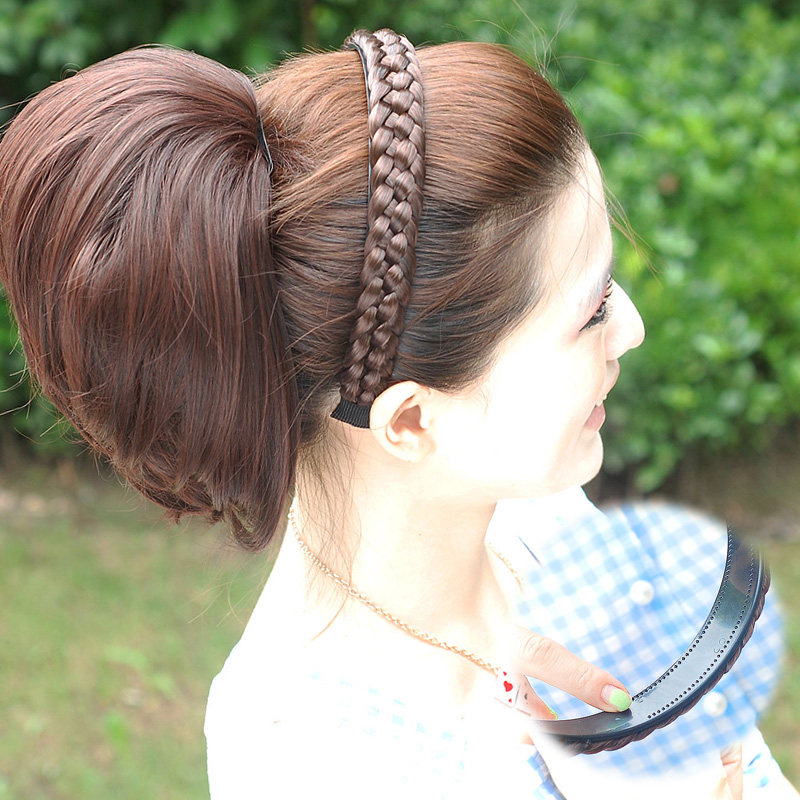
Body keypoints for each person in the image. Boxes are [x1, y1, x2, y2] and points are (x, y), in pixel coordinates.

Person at [0, 26, 794, 799]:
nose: (633, 328)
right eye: (590, 313)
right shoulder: (295, 755)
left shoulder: (539, 519)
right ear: (411, 421)